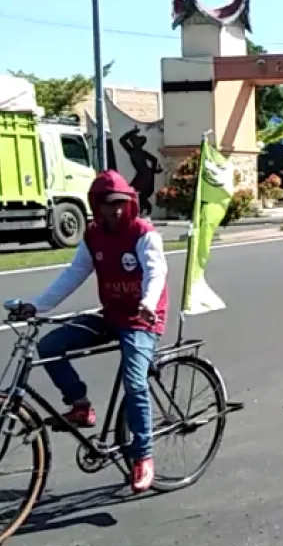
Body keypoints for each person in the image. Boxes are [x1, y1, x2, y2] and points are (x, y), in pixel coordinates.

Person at [13, 171, 167, 494]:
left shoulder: (143, 234)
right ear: (97, 206)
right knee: (49, 347)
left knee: (135, 382)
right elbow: (73, 275)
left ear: (130, 202)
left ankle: (143, 456)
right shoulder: (94, 237)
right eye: (108, 204)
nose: (116, 209)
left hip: (142, 318)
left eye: (121, 203)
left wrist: (148, 303)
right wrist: (37, 306)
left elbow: (156, 272)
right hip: (110, 315)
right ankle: (80, 405)